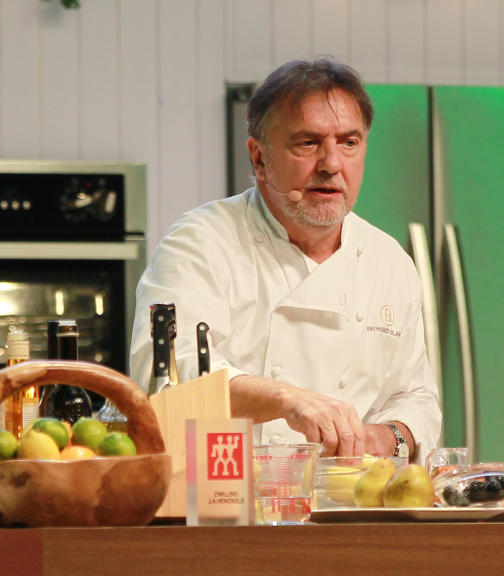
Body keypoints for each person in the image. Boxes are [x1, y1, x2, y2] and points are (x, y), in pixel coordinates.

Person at [130, 58, 440, 460]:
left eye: (349, 142)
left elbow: (416, 397)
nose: (331, 165)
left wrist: (386, 437)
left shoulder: (388, 262)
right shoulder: (201, 243)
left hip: (353, 507)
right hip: (232, 504)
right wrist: (287, 400)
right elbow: (168, 376)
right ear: (258, 158)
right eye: (308, 143)